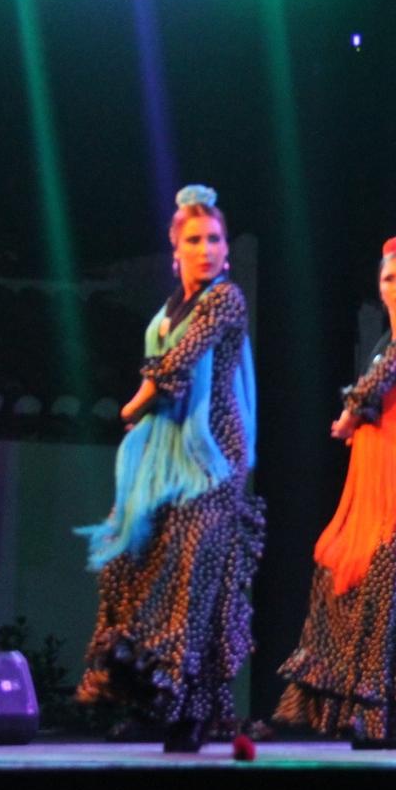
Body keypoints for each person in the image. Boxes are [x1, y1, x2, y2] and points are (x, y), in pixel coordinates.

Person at [76, 184, 265, 753]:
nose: (206, 249)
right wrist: (144, 421)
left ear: (226, 250)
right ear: (175, 250)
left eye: (215, 239)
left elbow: (180, 361)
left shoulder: (226, 299)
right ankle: (168, 702)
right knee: (135, 563)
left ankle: (185, 708)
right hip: (165, 457)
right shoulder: (168, 311)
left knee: (192, 573)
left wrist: (134, 404)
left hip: (213, 456)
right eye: (195, 240)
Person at [276, 235, 396, 748]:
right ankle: (369, 719)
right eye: (390, 279)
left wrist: (348, 415)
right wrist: (355, 413)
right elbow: (375, 383)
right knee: (356, 587)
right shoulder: (388, 342)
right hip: (381, 484)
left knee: (392, 601)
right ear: (380, 290)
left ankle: (393, 722)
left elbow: (377, 384)